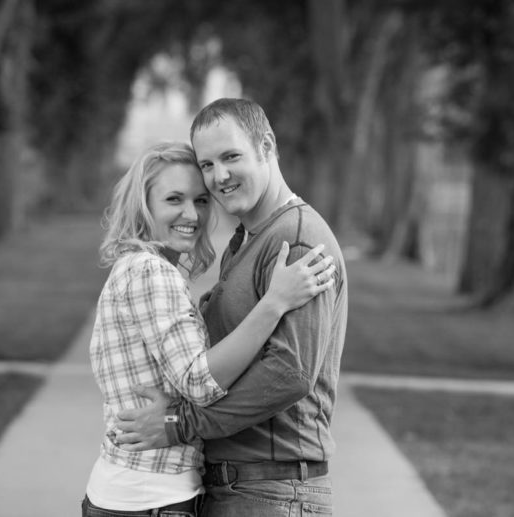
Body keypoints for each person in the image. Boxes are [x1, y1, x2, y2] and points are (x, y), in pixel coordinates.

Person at [114, 98, 348, 516]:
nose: (219, 176)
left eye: (231, 157)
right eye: (207, 165)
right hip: (241, 489)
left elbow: (289, 374)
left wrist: (179, 424)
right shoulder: (248, 240)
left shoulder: (295, 242)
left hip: (271, 492)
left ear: (267, 145)